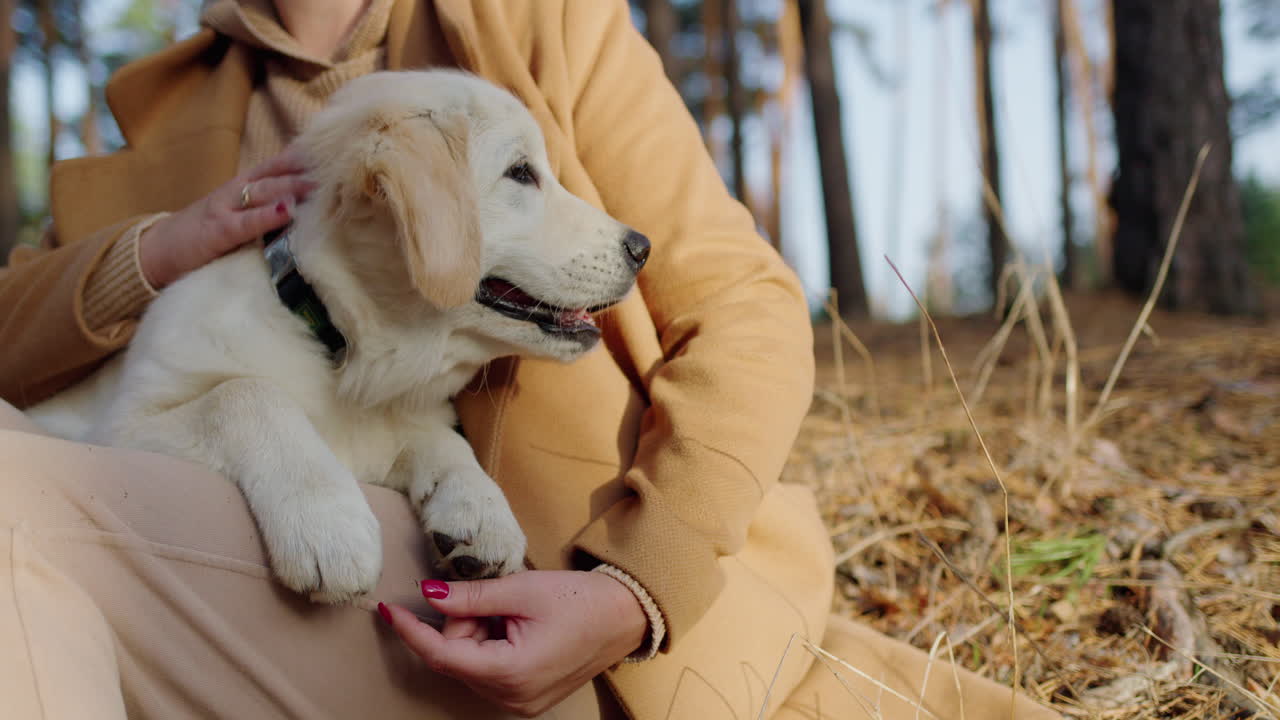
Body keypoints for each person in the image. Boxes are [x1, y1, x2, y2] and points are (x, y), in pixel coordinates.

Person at [0, 1, 1062, 718]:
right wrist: (151, 252)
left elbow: (745, 305)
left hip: (538, 600)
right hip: (257, 576)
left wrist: (632, 589)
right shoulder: (161, 107)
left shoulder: (535, 19)